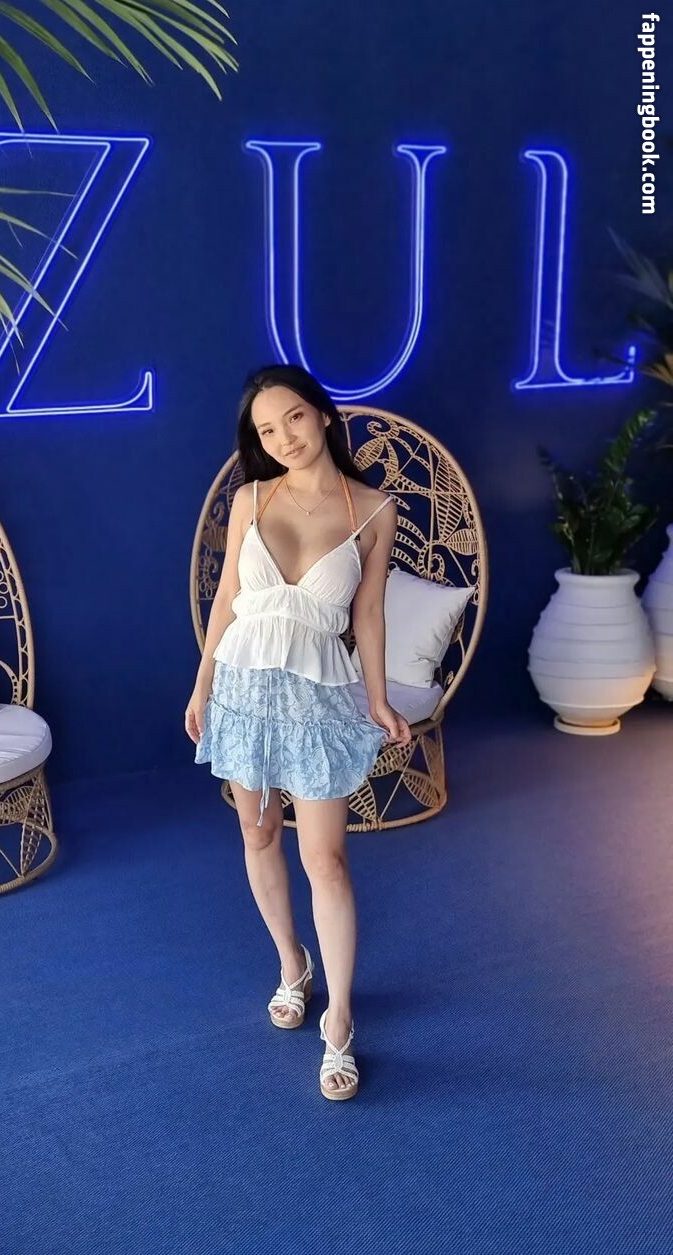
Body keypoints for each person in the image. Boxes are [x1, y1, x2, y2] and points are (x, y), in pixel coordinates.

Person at [185, 364, 411, 1102]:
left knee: (327, 860)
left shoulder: (374, 510)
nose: (284, 438)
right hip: (243, 690)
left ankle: (339, 1020)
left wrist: (378, 699)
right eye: (266, 430)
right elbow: (227, 596)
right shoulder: (250, 498)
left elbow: (368, 614)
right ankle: (292, 964)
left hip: (318, 700)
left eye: (294, 418)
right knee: (257, 836)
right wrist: (202, 684)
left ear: (324, 415)